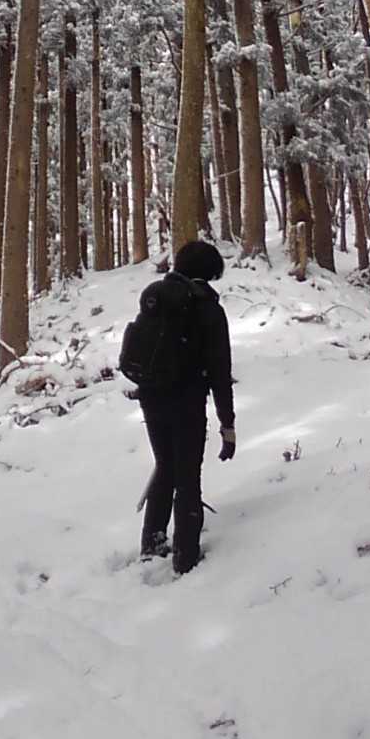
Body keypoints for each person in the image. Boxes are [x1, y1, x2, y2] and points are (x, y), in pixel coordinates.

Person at [139, 239, 236, 575]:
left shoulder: (155, 297)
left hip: (151, 397)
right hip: (187, 401)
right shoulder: (209, 309)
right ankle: (185, 557)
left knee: (165, 466)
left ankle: (152, 545)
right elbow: (220, 372)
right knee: (188, 476)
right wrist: (227, 424)